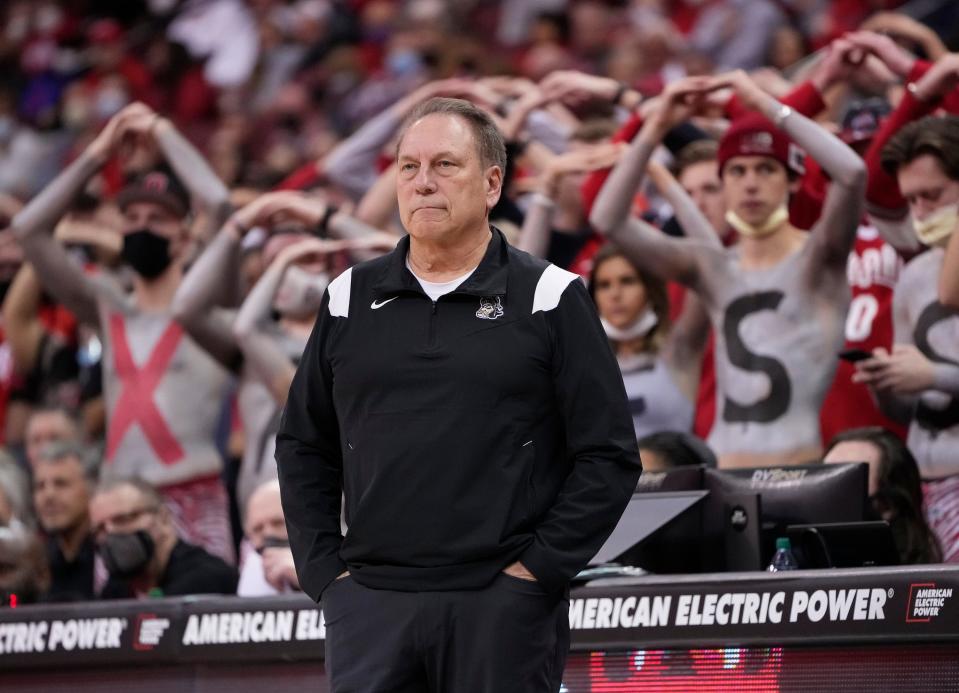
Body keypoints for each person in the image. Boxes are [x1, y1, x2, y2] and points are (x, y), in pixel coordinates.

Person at [276, 97, 641, 693]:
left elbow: (608, 455)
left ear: (493, 183)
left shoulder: (550, 294)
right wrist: (325, 575)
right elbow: (301, 445)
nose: (423, 183)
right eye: (408, 167)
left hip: (500, 604)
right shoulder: (347, 295)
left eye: (445, 165)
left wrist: (537, 572)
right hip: (370, 606)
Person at [590, 71, 866, 468]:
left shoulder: (818, 258)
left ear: (791, 179)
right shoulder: (713, 267)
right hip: (725, 470)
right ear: (725, 184)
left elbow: (852, 174)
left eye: (765, 169)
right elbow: (608, 219)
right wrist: (656, 126)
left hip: (799, 466)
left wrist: (764, 105)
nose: (750, 183)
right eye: (737, 171)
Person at [10, 102, 236, 563]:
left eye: (157, 219)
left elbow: (218, 204)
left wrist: (160, 128)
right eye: (131, 218)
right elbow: (30, 230)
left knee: (204, 630)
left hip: (191, 497)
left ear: (184, 237)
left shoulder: (206, 307)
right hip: (115, 501)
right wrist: (99, 150)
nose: (141, 227)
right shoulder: (107, 306)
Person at [853, 114, 959, 562]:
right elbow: (908, 409)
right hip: (921, 486)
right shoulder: (913, 276)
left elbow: (932, 376)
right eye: (912, 201)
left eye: (933, 196)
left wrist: (932, 373)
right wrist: (888, 382)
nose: (921, 213)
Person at [588, 244, 708, 438]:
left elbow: (703, 271)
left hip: (676, 467)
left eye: (627, 281)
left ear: (651, 289)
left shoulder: (679, 352)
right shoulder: (586, 365)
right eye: (604, 285)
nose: (615, 294)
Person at [90, 477, 238, 599]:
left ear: (163, 518)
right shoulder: (115, 589)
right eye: (100, 529)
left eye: (123, 519)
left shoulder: (206, 577)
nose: (110, 533)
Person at [824, 427, 942, 565]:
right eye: (825, 476)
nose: (828, 490)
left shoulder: (919, 580)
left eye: (847, 479)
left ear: (887, 505)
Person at [33, 441, 99, 601]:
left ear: (92, 489)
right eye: (40, 486)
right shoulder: (36, 561)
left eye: (61, 484)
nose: (48, 495)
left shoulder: (110, 559)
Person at [237, 479, 299, 597]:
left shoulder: (335, 551)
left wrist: (305, 576)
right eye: (257, 529)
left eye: (278, 523)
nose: (268, 533)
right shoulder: (254, 566)